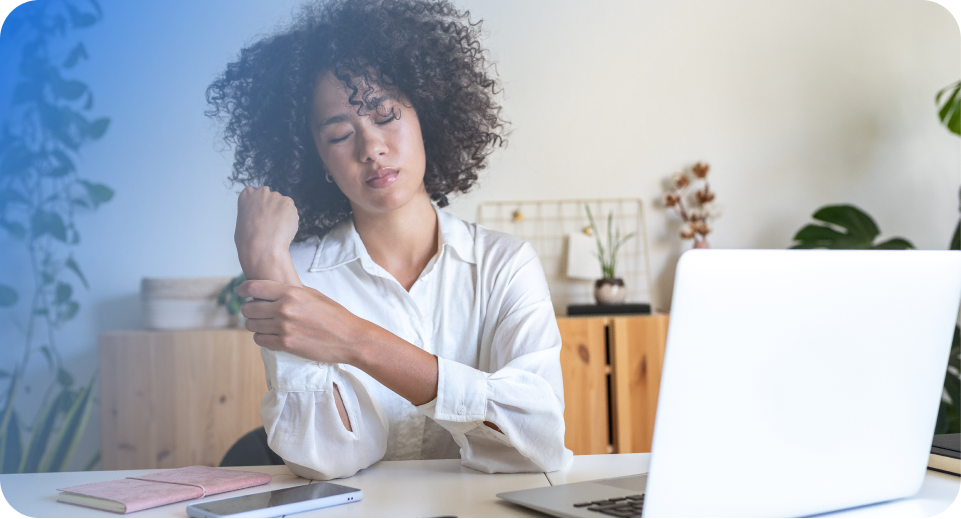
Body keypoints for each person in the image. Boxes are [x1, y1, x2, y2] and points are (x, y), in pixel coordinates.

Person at [206, 0, 573, 480]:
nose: (371, 148)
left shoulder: (505, 265)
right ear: (316, 157)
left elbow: (536, 442)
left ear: (429, 115)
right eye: (340, 135)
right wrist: (264, 260)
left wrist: (355, 339)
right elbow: (329, 458)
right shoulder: (294, 272)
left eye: (385, 115)